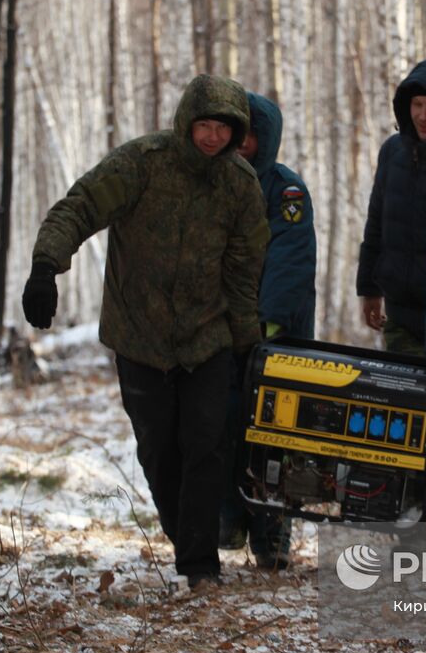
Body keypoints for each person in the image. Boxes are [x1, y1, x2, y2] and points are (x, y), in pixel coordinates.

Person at [21, 74, 268, 591]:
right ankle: (186, 538)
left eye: (223, 129)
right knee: (159, 451)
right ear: (186, 122)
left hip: (207, 337)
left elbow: (244, 273)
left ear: (237, 131)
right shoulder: (142, 163)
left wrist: (247, 344)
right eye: (203, 125)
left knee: (205, 446)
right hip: (139, 335)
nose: (211, 138)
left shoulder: (240, 187)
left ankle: (200, 565)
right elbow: (80, 206)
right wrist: (47, 266)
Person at [219, 92, 317, 570]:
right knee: (223, 430)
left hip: (275, 342)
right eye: (236, 138)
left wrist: (264, 324)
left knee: (277, 438)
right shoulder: (212, 187)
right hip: (221, 334)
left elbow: (289, 263)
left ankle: (273, 540)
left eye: (250, 138)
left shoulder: (285, 192)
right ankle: (228, 522)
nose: (241, 148)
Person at [357, 57, 426, 358]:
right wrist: (369, 289)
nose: (424, 115)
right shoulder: (392, 151)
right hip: (399, 316)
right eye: (417, 104)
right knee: (403, 401)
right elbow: (377, 222)